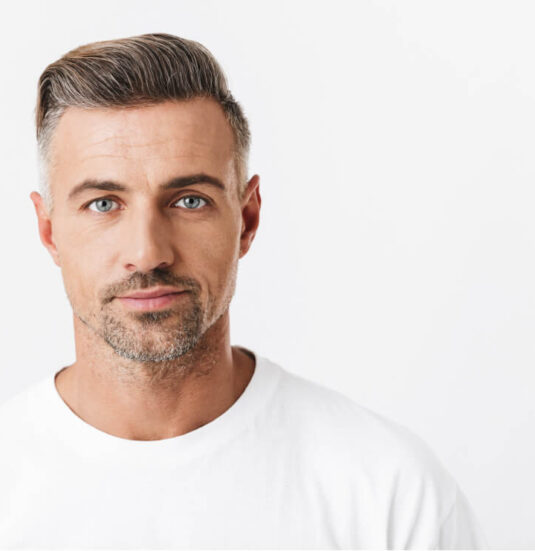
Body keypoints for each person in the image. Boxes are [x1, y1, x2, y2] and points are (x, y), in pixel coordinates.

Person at [0, 32, 487, 549]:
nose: (147, 253)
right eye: (103, 203)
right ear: (49, 231)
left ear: (247, 218)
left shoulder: (388, 492)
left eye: (189, 201)